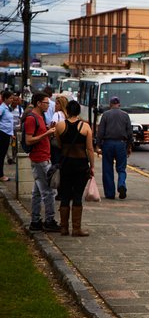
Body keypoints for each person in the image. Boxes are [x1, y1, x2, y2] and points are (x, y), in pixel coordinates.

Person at [54, 100, 95, 236]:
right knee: (77, 195)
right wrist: (92, 166)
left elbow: (59, 145)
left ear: (68, 111)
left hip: (65, 164)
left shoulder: (60, 126)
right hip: (81, 165)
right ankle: (76, 229)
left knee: (65, 195)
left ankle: (64, 228)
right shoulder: (86, 127)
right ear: (78, 111)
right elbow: (89, 149)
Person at [24, 92, 60, 232]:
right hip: (39, 159)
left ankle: (35, 220)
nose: (48, 105)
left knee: (38, 192)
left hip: (44, 157)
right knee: (49, 191)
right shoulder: (32, 119)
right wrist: (46, 133)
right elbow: (29, 139)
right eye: (46, 102)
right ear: (39, 103)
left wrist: (48, 130)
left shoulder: (41, 117)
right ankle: (49, 220)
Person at [96, 96, 133, 200]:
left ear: (110, 104)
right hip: (121, 144)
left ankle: (110, 193)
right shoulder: (125, 115)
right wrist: (129, 146)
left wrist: (98, 145)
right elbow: (130, 132)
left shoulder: (105, 115)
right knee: (121, 168)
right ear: (119, 104)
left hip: (108, 144)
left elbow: (100, 132)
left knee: (107, 168)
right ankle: (121, 184)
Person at [49, 94, 69, 166]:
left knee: (56, 164)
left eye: (57, 104)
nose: (55, 106)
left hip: (57, 144)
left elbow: (53, 129)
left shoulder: (56, 115)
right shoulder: (69, 116)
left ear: (62, 105)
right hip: (67, 144)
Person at [0, 90, 14, 181]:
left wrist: (12, 133)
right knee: (1, 155)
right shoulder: (2, 108)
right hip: (2, 133)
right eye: (10, 98)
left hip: (7, 134)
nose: (12, 100)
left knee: (3, 155)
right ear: (5, 98)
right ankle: (1, 175)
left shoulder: (7, 108)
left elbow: (9, 122)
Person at [7, 93, 24, 165]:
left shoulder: (20, 109)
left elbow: (21, 120)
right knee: (7, 144)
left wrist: (19, 127)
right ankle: (9, 158)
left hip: (16, 130)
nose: (15, 102)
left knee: (14, 145)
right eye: (13, 100)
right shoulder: (7, 108)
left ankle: (13, 158)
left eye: (17, 100)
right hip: (7, 130)